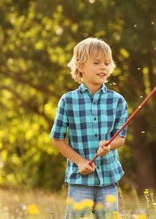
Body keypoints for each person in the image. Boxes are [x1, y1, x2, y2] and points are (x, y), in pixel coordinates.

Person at [50, 37, 128, 218]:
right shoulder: (68, 101)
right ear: (80, 66)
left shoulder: (117, 101)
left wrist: (109, 145)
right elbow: (57, 139)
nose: (103, 67)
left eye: (107, 63)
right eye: (97, 62)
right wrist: (80, 161)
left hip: (109, 179)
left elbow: (121, 138)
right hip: (80, 181)